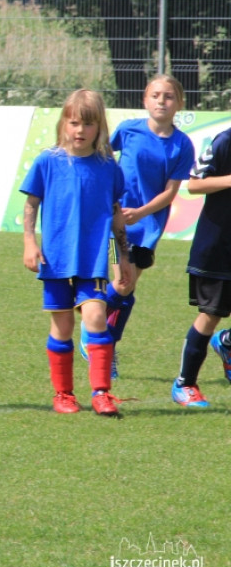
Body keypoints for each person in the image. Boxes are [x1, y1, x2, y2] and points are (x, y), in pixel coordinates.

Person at [21, 89, 132, 417]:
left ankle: (101, 392)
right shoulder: (47, 161)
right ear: (63, 124)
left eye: (88, 124)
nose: (80, 130)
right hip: (55, 260)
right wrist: (29, 242)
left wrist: (121, 257)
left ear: (100, 128)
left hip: (92, 260)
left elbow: (114, 218)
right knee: (64, 327)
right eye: (74, 123)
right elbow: (31, 205)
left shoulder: (108, 167)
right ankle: (64, 394)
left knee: (97, 318)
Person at [80, 74, 195, 379]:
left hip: (148, 226)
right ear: (145, 100)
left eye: (168, 96)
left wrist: (141, 212)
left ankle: (96, 331)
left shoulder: (182, 145)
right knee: (121, 282)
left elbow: (171, 192)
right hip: (117, 223)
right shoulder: (128, 130)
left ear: (179, 104)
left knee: (127, 287)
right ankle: (98, 339)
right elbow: (102, 156)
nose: (161, 101)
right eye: (155, 95)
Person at [170, 124, 231, 408]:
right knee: (210, 316)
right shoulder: (224, 142)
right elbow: (194, 184)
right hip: (218, 247)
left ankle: (227, 342)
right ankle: (185, 383)